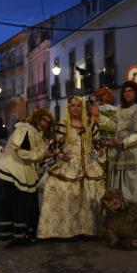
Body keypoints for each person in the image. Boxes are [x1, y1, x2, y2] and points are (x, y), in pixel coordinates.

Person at [37, 96, 106, 239]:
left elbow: (98, 143)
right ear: (68, 108)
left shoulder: (90, 124)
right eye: (73, 105)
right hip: (69, 165)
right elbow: (55, 146)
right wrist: (61, 155)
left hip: (89, 165)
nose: (76, 108)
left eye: (79, 105)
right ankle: (63, 231)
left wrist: (98, 151)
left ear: (82, 108)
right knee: (55, 185)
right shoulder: (63, 125)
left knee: (92, 192)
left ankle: (89, 230)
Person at [0, 108, 56, 245]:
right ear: (37, 118)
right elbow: (22, 153)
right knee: (17, 207)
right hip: (12, 172)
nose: (44, 124)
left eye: (47, 122)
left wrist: (45, 154)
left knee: (20, 207)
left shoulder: (35, 133)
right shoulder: (26, 129)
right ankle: (18, 236)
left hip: (21, 172)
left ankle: (19, 236)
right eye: (43, 120)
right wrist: (42, 155)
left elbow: (32, 155)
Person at [89, 81, 137, 208]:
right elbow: (115, 126)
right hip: (121, 157)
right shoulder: (120, 109)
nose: (127, 93)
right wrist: (98, 116)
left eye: (130, 91)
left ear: (136, 92)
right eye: (125, 91)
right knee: (123, 193)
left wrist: (124, 142)